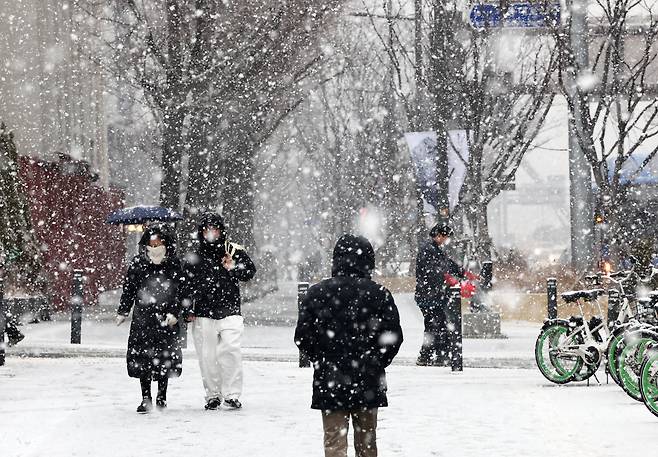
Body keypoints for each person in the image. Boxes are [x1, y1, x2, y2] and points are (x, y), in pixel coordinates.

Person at [294, 234, 403, 457]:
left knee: (334, 442)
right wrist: (376, 361)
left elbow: (302, 336)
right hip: (368, 380)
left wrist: (322, 359)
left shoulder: (316, 293)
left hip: (330, 379)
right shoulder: (379, 294)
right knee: (367, 443)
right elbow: (393, 337)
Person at [182, 212, 256, 410]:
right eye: (207, 229)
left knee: (231, 350)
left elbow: (250, 271)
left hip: (230, 310)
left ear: (221, 231)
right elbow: (186, 284)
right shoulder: (195, 256)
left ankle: (231, 394)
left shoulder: (232, 250)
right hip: (204, 312)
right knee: (207, 357)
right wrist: (187, 308)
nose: (211, 233)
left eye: (214, 229)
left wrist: (233, 267)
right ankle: (213, 394)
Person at [116, 225, 185, 414]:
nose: (154, 247)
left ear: (165, 244)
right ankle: (145, 398)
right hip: (143, 319)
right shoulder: (138, 263)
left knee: (165, 358)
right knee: (143, 358)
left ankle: (162, 396)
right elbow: (129, 288)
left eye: (158, 243)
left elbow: (179, 292)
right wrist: (123, 310)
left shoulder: (174, 264)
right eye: (151, 243)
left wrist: (175, 312)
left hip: (166, 318)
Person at [415, 222, 476, 366]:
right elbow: (433, 271)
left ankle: (433, 356)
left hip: (432, 295)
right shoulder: (428, 250)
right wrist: (449, 279)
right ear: (438, 235)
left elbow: (447, 264)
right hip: (428, 296)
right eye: (445, 236)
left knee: (437, 325)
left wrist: (463, 273)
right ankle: (433, 356)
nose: (446, 240)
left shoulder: (435, 249)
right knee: (436, 325)